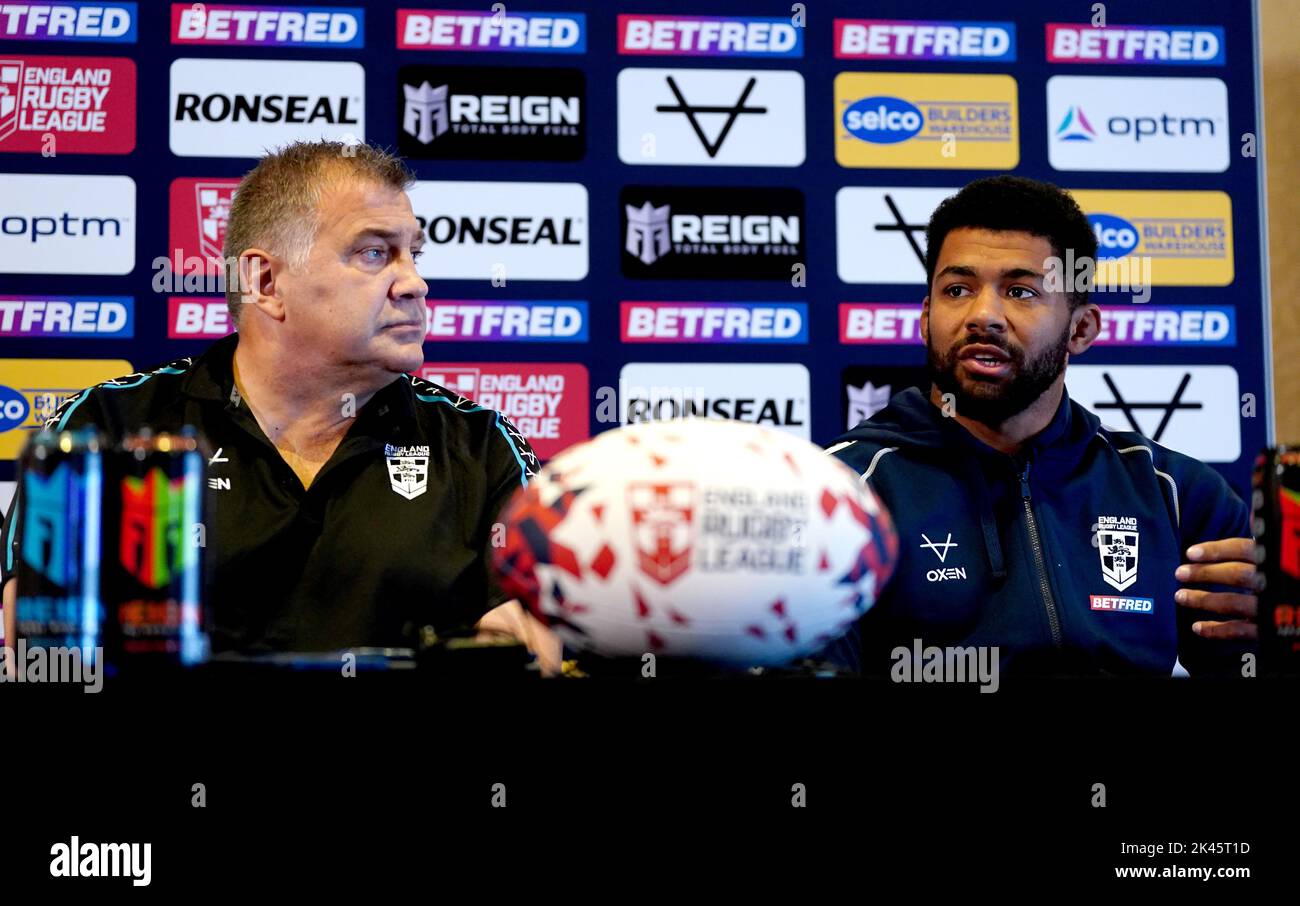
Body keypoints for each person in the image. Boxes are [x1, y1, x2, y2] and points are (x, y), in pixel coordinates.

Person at [1, 140, 561, 671]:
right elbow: (42, 652)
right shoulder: (110, 427)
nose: (414, 283)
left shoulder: (480, 446)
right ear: (265, 281)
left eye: (412, 254)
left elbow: (528, 647)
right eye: (374, 253)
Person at [823, 176, 1258, 677]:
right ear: (925, 316)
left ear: (1081, 329)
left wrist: (1272, 642)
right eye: (957, 289)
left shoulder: (1178, 496)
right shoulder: (845, 495)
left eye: (1021, 291)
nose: (983, 316)